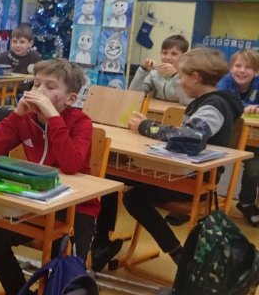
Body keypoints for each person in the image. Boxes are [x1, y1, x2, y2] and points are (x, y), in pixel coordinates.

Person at [94, 48, 243, 268]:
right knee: (108, 174)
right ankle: (101, 242)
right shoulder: (205, 101)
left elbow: (191, 137)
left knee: (134, 198)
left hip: (196, 179)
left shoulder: (214, 105)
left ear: (196, 77)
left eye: (182, 76)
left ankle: (178, 255)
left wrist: (146, 126)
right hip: (181, 172)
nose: (179, 82)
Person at [0, 59, 98, 295]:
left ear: (70, 98)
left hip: (75, 207)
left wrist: (54, 118)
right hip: (36, 202)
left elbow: (70, 165)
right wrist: (17, 114)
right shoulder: (26, 119)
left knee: (65, 256)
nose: (39, 91)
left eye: (50, 87)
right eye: (36, 84)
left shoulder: (81, 122)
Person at [217, 48, 259, 225]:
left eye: (248, 67)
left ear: (256, 71)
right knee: (212, 160)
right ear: (231, 68)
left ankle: (246, 202)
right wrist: (245, 106)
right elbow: (222, 98)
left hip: (250, 136)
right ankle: (200, 197)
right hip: (224, 134)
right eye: (238, 66)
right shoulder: (225, 81)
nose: (242, 70)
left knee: (255, 166)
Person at [128, 34, 191, 105]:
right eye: (165, 53)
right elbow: (134, 95)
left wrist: (175, 75)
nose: (168, 57)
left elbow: (188, 101)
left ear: (183, 57)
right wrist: (143, 70)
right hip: (156, 110)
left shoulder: (188, 76)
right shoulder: (154, 74)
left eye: (174, 54)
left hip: (179, 111)